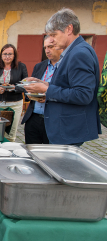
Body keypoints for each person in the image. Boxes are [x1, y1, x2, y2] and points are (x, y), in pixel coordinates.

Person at [25, 8, 101, 145]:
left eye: (53, 34)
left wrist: (47, 90)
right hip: (64, 127)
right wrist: (44, 84)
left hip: (68, 129)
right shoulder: (75, 51)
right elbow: (68, 85)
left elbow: (83, 94)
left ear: (69, 29)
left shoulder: (79, 53)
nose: (51, 40)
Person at [21, 36, 62, 144]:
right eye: (45, 48)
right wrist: (29, 91)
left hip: (53, 120)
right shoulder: (39, 66)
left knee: (48, 156)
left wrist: (48, 96)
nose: (47, 50)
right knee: (31, 153)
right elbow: (31, 88)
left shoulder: (66, 67)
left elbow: (66, 91)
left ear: (60, 46)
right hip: (33, 117)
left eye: (51, 47)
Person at [0, 44, 28, 142]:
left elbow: (25, 86)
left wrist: (14, 88)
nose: (7, 56)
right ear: (1, 55)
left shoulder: (21, 67)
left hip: (15, 104)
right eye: (5, 54)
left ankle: (8, 150)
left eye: (10, 54)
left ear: (14, 55)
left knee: (10, 133)